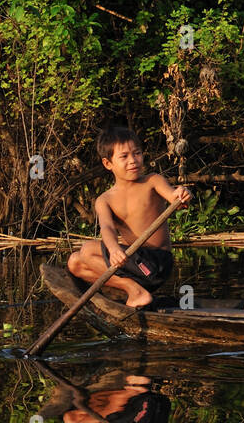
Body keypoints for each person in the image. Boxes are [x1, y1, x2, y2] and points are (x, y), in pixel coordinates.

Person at [68, 125, 192, 308]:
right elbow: (107, 228)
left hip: (156, 264)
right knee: (74, 263)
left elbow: (175, 197)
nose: (133, 161)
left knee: (87, 250)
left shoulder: (152, 181)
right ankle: (131, 288)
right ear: (107, 164)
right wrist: (114, 249)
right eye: (124, 157)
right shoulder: (105, 200)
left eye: (137, 153)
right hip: (132, 262)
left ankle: (136, 292)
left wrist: (182, 193)